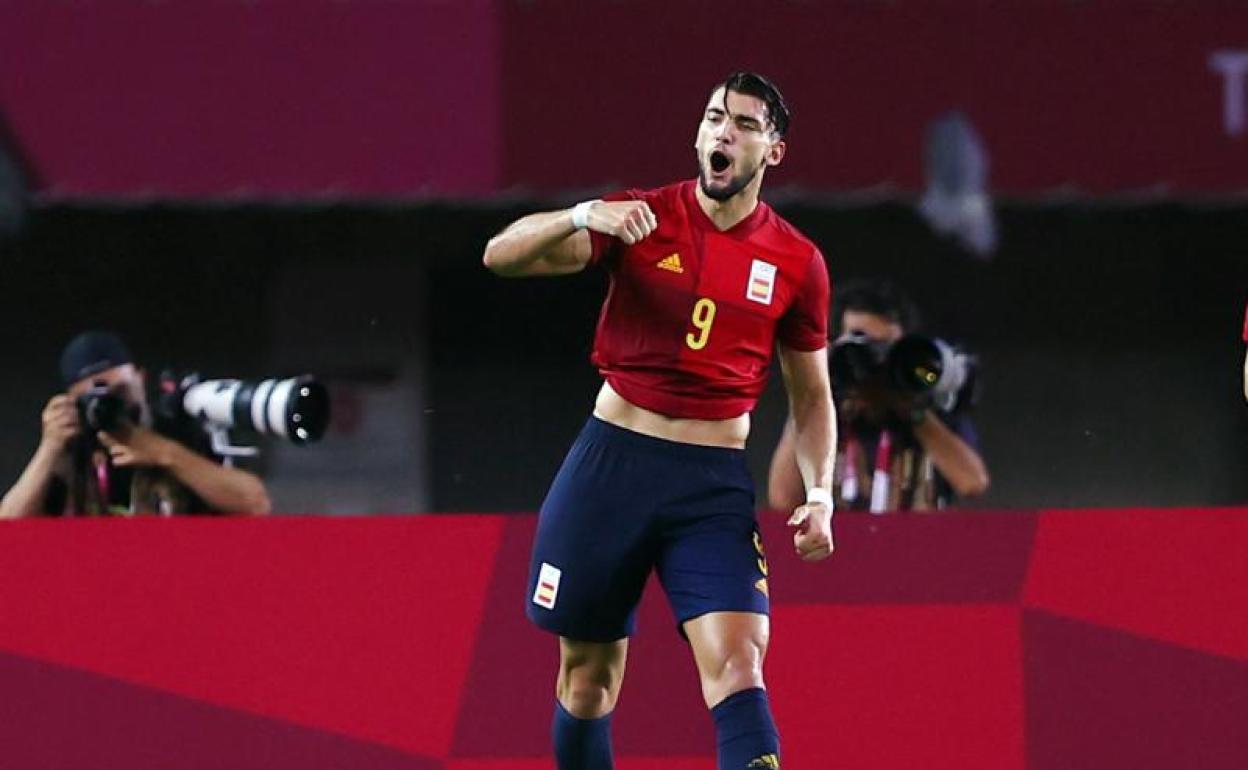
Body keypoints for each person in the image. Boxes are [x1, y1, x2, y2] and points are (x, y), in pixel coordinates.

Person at [482, 72, 834, 770]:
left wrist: (819, 493)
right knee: (588, 680)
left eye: (745, 124)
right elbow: (499, 257)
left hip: (710, 486)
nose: (723, 132)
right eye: (713, 117)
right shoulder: (638, 217)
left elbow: (813, 396)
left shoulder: (798, 262)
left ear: (773, 152)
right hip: (610, 469)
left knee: (739, 665)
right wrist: (582, 215)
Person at [769, 278, 988, 513]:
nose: (874, 359)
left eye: (885, 347)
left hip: (915, 535)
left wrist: (912, 411)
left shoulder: (929, 406)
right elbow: (783, 500)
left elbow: (972, 483)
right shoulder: (823, 411)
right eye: (859, 342)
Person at [0, 331, 271, 517]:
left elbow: (255, 503)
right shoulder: (73, 450)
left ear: (140, 379)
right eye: (92, 399)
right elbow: (8, 530)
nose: (109, 405)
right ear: (72, 401)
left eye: (120, 391)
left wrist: (164, 453)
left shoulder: (179, 429)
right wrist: (49, 449)